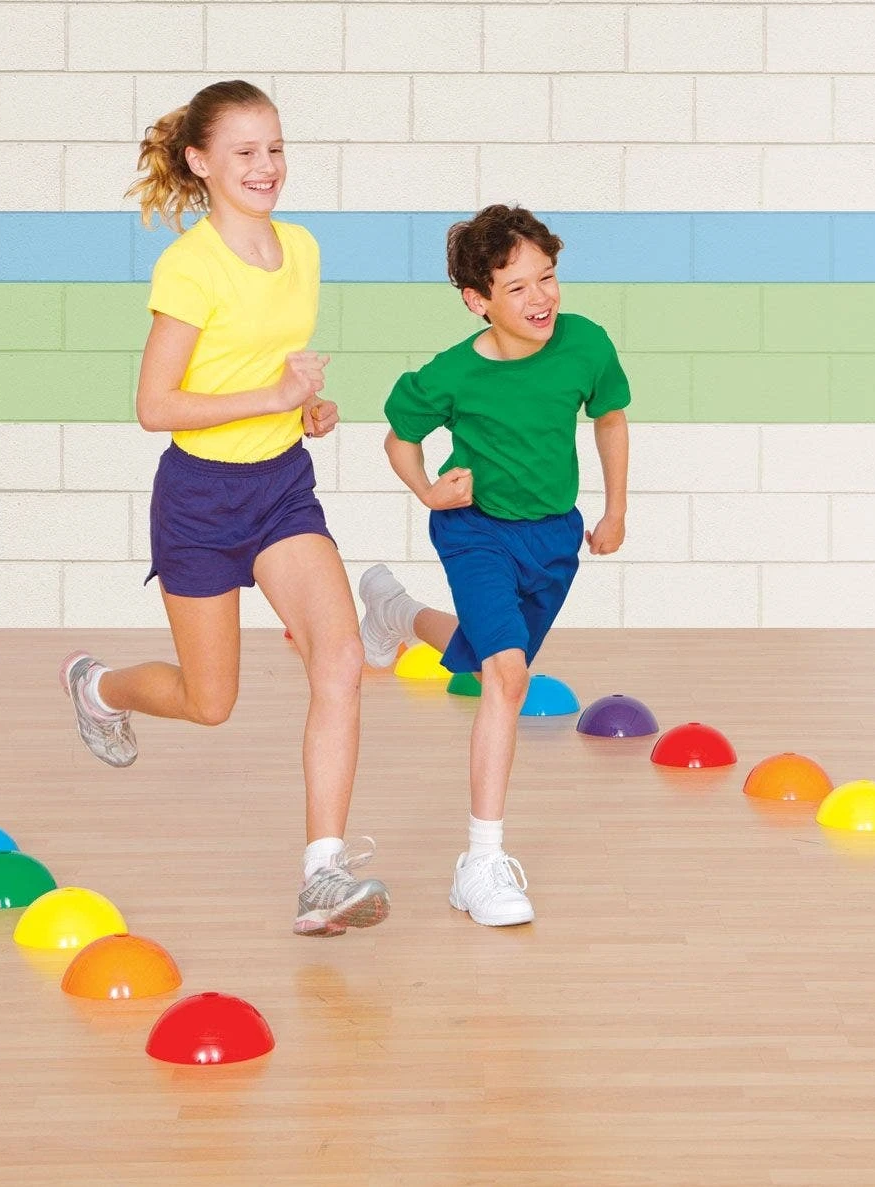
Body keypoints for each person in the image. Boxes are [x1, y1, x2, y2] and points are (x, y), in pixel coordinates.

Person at [58, 80, 389, 938]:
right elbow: (156, 406)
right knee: (211, 704)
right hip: (201, 501)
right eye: (245, 152)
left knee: (342, 657)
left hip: (280, 487)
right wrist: (271, 391)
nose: (266, 166)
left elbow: (273, 376)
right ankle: (98, 686)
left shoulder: (305, 250)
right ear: (201, 163)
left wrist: (306, 408)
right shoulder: (190, 265)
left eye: (275, 148)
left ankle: (323, 874)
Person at [358, 204, 630, 927]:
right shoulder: (452, 373)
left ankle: (391, 609)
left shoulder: (586, 346)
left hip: (554, 538)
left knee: (488, 667)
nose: (541, 298)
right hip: (474, 531)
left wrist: (615, 510)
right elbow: (398, 439)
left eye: (548, 278)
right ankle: (480, 862)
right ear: (478, 300)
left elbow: (609, 418)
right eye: (517, 288)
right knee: (508, 676)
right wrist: (426, 489)